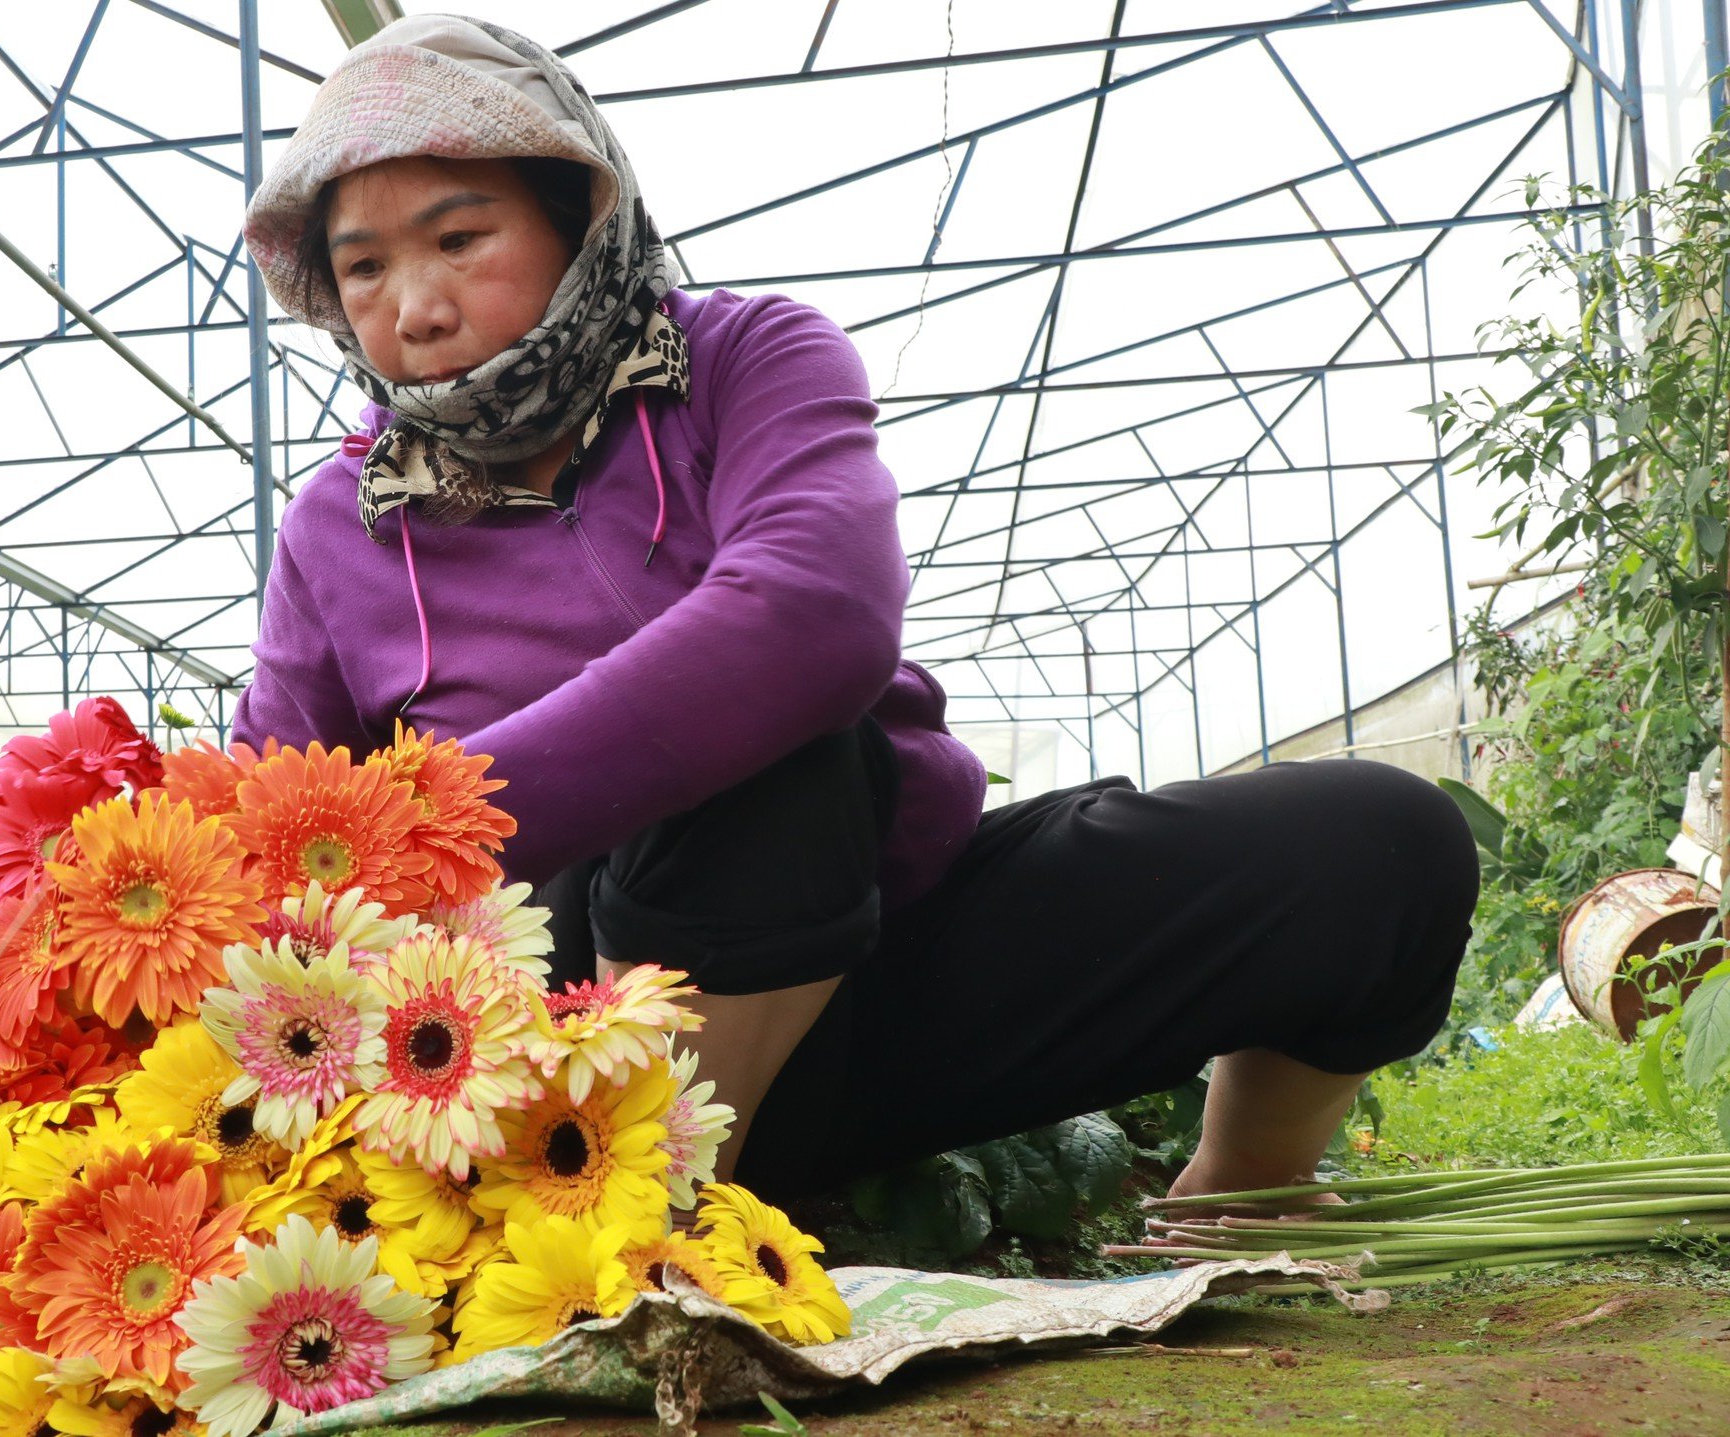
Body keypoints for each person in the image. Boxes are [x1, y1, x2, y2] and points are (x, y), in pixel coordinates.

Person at [232, 14, 1479, 1206]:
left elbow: (815, 615)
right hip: (544, 1054)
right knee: (751, 760)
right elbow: (258, 824)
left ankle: (1243, 1190)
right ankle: (633, 1209)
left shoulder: (739, 359)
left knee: (1379, 845)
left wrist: (438, 810)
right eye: (364, 269)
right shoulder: (340, 528)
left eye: (460, 240)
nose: (416, 306)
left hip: (885, 954)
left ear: (578, 213)